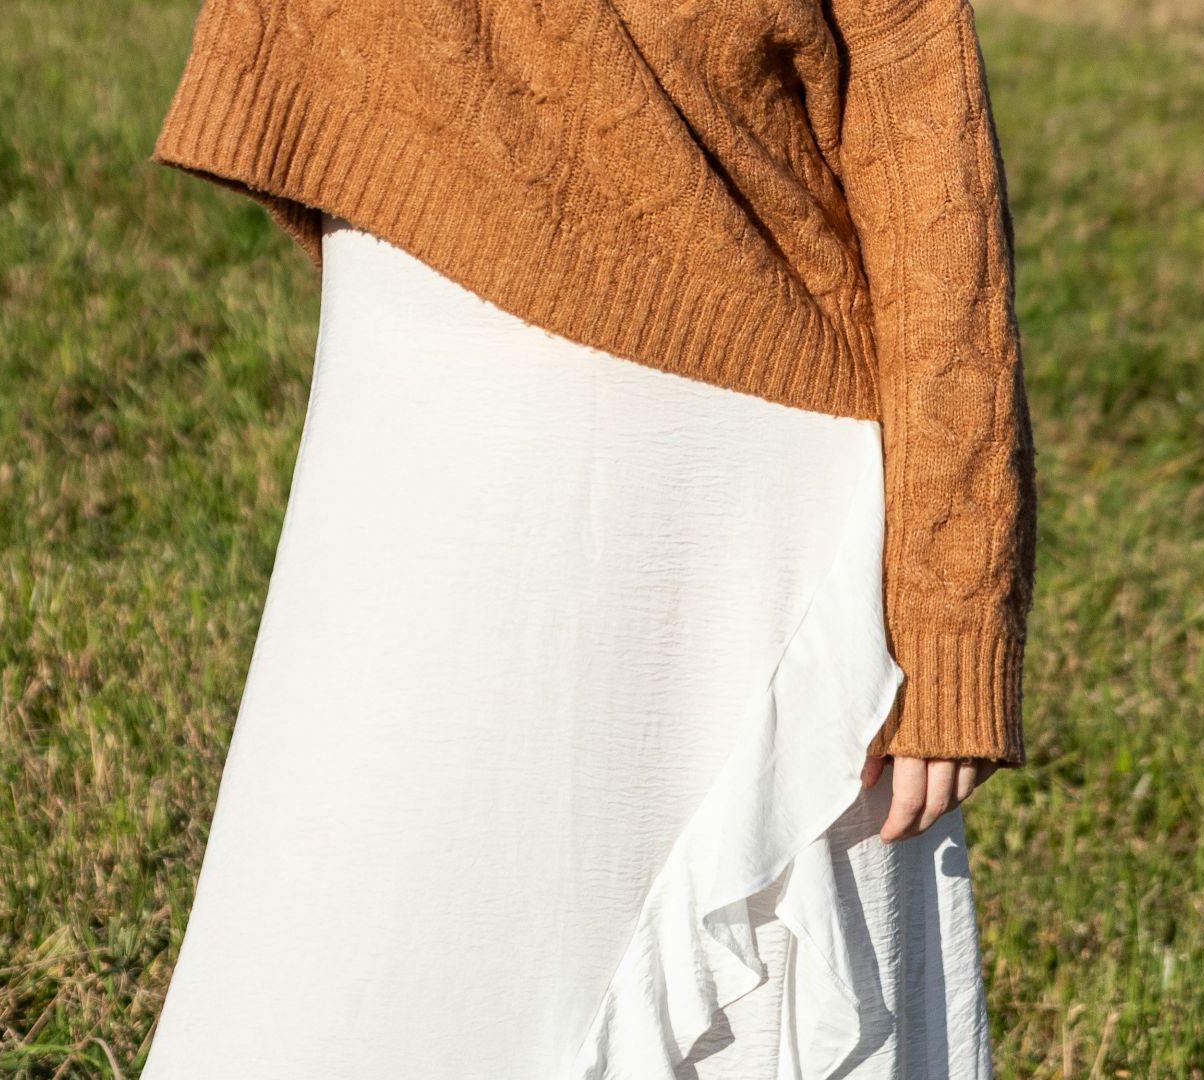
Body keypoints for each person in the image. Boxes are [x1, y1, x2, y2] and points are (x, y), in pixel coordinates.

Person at [139, 1, 1038, 1076]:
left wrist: (954, 612)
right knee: (346, 934)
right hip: (428, 394)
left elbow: (927, 157)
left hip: (720, 473)